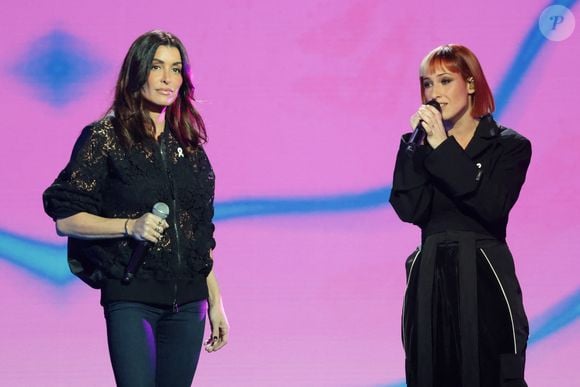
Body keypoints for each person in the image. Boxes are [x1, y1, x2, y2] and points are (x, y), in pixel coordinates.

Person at [43, 30, 229, 387]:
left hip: (190, 302)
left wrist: (216, 301)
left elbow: (197, 234)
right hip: (133, 297)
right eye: (157, 66)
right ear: (137, 72)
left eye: (175, 69)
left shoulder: (189, 148)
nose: (166, 78)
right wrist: (129, 226)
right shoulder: (105, 137)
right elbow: (66, 219)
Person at [389, 44, 531, 387]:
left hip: (484, 271)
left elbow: (491, 204)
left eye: (444, 81)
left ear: (470, 84)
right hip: (430, 274)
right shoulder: (417, 145)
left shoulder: (508, 145)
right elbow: (409, 208)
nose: (434, 93)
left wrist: (443, 148)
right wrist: (416, 151)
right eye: (427, 84)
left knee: (493, 372)